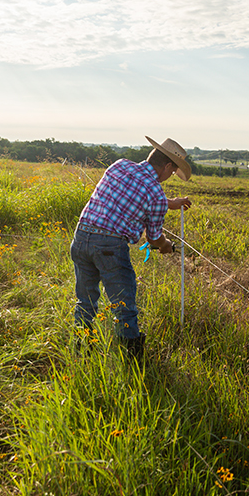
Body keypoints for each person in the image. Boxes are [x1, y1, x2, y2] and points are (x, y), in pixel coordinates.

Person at [70, 136, 192, 360]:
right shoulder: (155, 193)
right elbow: (154, 238)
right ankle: (131, 359)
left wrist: (168, 202)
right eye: (172, 172)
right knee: (124, 305)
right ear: (167, 166)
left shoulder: (120, 165)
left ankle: (80, 350)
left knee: (85, 300)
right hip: (110, 247)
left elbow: (132, 191)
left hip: (81, 237)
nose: (170, 176)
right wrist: (166, 246)